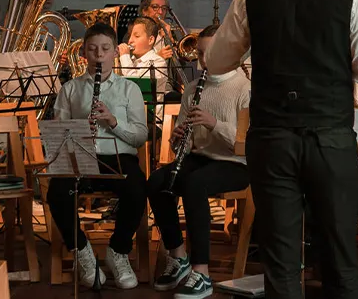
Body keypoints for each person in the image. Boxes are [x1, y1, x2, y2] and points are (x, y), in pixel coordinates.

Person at [207, 0, 358, 299]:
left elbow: (216, 60)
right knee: (341, 255)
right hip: (330, 139)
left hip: (273, 138)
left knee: (281, 260)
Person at [147, 35, 252, 298]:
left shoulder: (245, 88)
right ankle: (178, 255)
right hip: (199, 159)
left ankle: (202, 271)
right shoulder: (194, 89)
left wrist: (214, 123)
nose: (203, 61)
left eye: (209, 54)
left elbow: (246, 143)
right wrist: (178, 138)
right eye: (201, 54)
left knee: (195, 184)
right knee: (157, 181)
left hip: (236, 163)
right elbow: (183, 143)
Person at [46, 23, 149, 289]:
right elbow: (58, 134)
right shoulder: (70, 89)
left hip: (119, 158)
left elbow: (140, 137)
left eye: (105, 49)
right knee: (57, 192)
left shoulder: (129, 90)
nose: (99, 55)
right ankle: (82, 252)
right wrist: (80, 130)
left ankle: (118, 251)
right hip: (80, 156)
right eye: (92, 50)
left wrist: (113, 122)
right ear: (84, 53)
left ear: (115, 52)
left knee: (137, 188)